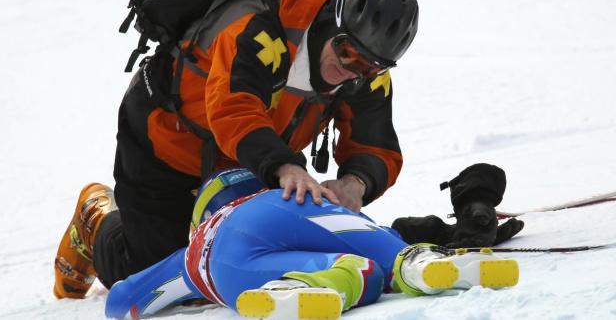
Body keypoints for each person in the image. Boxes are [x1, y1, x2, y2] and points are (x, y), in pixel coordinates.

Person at [53, 0, 419, 299]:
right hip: (166, 145)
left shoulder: (365, 73)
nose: (351, 69)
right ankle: (97, 219)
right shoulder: (260, 31)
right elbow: (233, 110)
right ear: (330, 20)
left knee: (239, 254)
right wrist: (286, 167)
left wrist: (356, 182)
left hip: (252, 160)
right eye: (348, 51)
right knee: (153, 271)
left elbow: (376, 144)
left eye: (371, 65)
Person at [104, 168, 519, 319]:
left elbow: (123, 300)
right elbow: (357, 227)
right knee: (374, 255)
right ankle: (417, 264)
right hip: (290, 208)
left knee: (352, 271)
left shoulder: (195, 249)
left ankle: (293, 288)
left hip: (221, 266)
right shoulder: (282, 192)